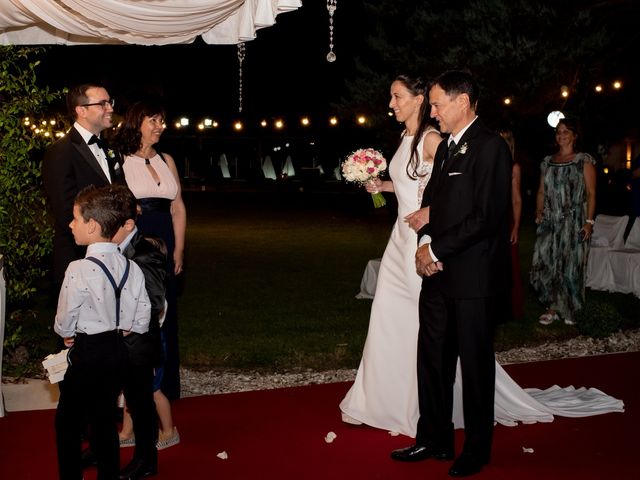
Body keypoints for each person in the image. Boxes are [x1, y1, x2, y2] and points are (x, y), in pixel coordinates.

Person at [392, 70, 512, 477]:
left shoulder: (491, 147)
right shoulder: (445, 151)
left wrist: (435, 247)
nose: (434, 111)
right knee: (432, 360)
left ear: (463, 102)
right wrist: (426, 243)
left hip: (474, 278)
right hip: (438, 273)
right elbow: (434, 204)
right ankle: (434, 437)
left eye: (439, 103)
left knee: (475, 366)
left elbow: (485, 217)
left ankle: (477, 449)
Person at [339, 74, 442, 434]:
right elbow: (408, 184)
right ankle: (377, 399)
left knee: (419, 322)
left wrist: (430, 212)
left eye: (397, 97)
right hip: (398, 239)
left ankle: (419, 404)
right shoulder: (405, 137)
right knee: (386, 315)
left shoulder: (432, 138)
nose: (392, 104)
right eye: (391, 98)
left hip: (421, 239)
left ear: (419, 99)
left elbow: (454, 186)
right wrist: (381, 185)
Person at [54, 185, 150, 480]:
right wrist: (118, 331)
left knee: (68, 423)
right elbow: (142, 319)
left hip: (89, 354)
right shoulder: (132, 267)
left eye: (76, 219)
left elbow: (64, 318)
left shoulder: (78, 269)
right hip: (117, 353)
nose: (70, 225)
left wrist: (67, 332)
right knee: (105, 420)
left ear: (92, 226)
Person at [115, 99, 187, 401]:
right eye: (153, 120)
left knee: (165, 312)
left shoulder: (167, 159)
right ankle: (135, 389)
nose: (160, 126)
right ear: (138, 122)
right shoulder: (119, 159)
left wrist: (179, 249)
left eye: (162, 121)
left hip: (167, 241)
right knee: (137, 312)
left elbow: (178, 206)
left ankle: (166, 386)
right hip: (137, 245)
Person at [42, 83, 126, 288]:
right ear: (82, 111)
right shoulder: (60, 151)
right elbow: (65, 212)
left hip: (113, 251)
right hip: (78, 257)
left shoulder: (109, 148)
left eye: (110, 102)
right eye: (103, 104)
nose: (111, 108)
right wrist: (106, 239)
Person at [111, 185, 168, 479]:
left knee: (141, 405)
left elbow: (155, 302)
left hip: (139, 345)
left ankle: (145, 461)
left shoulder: (146, 254)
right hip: (117, 344)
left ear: (129, 224)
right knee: (120, 401)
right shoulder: (113, 249)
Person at [530, 118, 596, 326]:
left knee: (570, 265)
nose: (561, 135)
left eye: (566, 131)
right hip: (550, 220)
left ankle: (569, 309)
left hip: (574, 221)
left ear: (575, 136)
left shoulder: (582, 161)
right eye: (558, 132)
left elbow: (592, 194)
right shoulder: (547, 161)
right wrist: (539, 211)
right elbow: (541, 190)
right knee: (545, 263)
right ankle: (551, 306)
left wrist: (589, 222)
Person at [499, 128, 524, 320]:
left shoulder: (513, 167)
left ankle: (509, 309)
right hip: (486, 220)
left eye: (505, 139)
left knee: (508, 265)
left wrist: (515, 226)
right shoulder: (487, 161)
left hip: (503, 220)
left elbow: (516, 199)